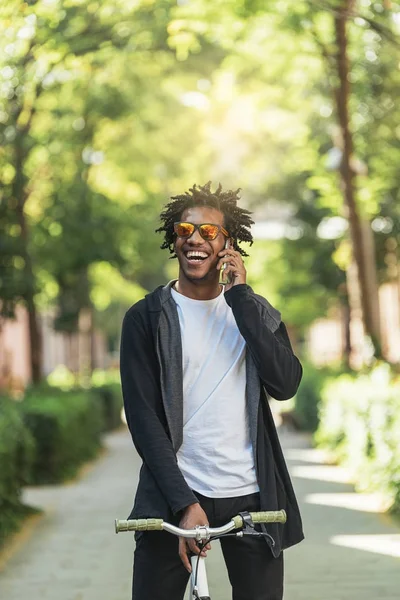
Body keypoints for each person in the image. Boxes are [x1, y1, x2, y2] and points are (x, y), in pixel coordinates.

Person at [120, 182, 304, 600]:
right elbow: (143, 418)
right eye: (186, 231)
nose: (196, 240)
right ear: (174, 239)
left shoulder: (254, 311)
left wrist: (240, 296)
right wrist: (184, 503)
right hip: (174, 494)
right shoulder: (146, 318)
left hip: (252, 496)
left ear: (228, 244)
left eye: (209, 232)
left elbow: (286, 384)